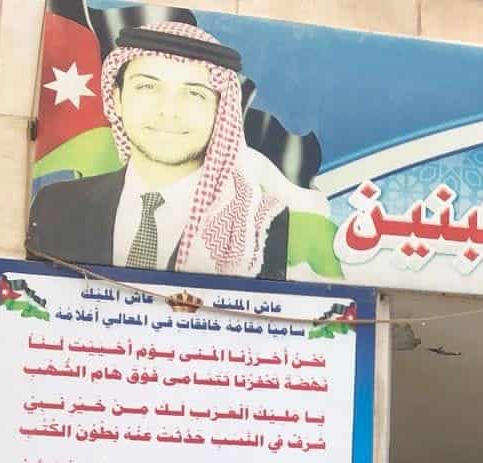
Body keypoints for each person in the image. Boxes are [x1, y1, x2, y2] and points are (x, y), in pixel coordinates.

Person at [27, 22, 324, 279]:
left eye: (194, 93)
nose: (169, 111)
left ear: (221, 111)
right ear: (116, 99)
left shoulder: (259, 224)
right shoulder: (55, 205)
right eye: (147, 87)